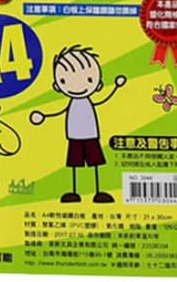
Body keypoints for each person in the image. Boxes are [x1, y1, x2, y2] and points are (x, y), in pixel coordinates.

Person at [30, 44, 127, 203]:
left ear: (98, 83)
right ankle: (74, 192)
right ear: (57, 85)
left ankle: (98, 191)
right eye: (64, 80)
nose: (78, 86)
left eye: (89, 79)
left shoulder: (87, 102)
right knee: (75, 163)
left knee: (95, 162)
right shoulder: (73, 104)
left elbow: (102, 99)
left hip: (91, 134)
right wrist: (44, 116)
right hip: (74, 136)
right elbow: (60, 111)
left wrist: (116, 87)